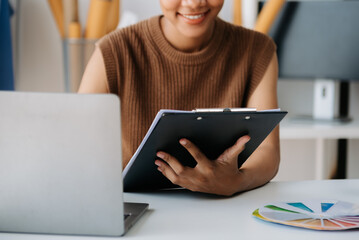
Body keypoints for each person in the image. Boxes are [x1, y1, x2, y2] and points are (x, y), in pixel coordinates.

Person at [79, 0, 280, 196]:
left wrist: (235, 182)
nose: (193, 3)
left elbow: (267, 151)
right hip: (135, 205)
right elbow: (75, 148)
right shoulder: (113, 51)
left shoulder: (257, 50)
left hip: (221, 210)